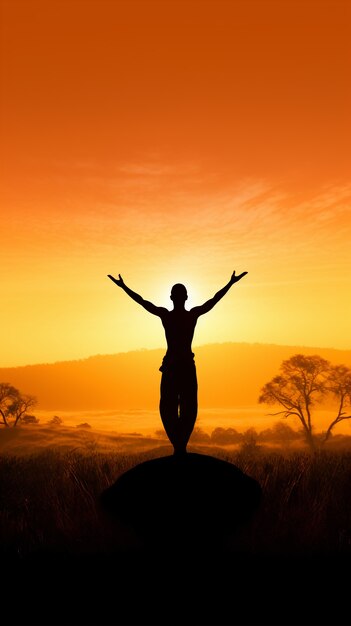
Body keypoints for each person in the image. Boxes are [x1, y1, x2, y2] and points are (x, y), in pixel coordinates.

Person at [107, 270, 248, 455]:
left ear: (172, 298)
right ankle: (179, 447)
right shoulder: (191, 315)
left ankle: (179, 446)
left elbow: (142, 302)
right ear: (186, 298)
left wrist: (124, 286)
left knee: (171, 406)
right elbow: (213, 300)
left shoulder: (168, 315)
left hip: (174, 366)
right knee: (184, 406)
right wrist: (230, 283)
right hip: (183, 366)